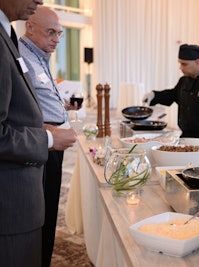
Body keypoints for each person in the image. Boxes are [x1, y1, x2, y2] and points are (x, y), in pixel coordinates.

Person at [0, 0, 76, 266]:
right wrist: (50, 137)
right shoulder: (14, 47)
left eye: (60, 33)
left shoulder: (33, 53)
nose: (56, 39)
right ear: (30, 28)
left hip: (39, 147)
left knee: (44, 218)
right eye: (51, 32)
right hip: (29, 154)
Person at [142, 44, 199, 146]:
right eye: (180, 63)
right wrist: (154, 95)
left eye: (184, 64)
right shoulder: (184, 80)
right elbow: (173, 95)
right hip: (186, 137)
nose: (180, 67)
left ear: (197, 62)